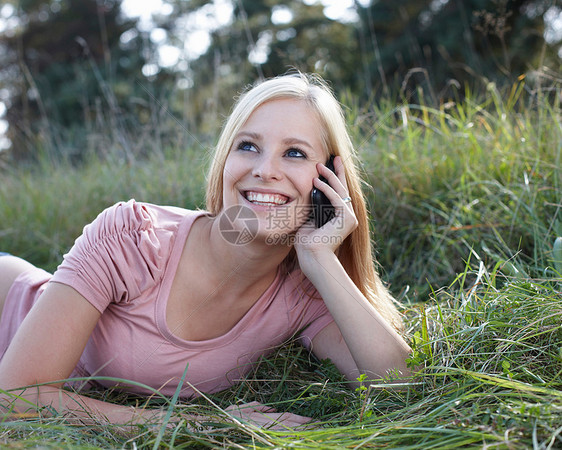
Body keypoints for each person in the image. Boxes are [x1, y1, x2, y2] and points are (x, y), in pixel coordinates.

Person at [0, 72, 412, 429]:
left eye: (295, 153)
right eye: (248, 146)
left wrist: (322, 260)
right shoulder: (133, 237)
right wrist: (211, 423)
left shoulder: (304, 295)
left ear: (331, 183)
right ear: (224, 161)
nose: (265, 169)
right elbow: (16, 396)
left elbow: (400, 384)